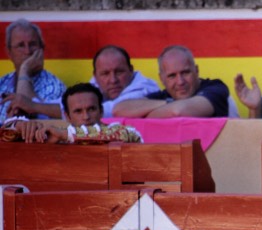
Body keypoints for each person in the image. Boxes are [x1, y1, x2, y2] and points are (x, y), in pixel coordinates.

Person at [113, 45, 231, 118]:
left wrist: (146, 114)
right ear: (162, 79)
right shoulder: (165, 97)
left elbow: (179, 111)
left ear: (196, 71)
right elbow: (119, 109)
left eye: (185, 73)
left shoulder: (216, 88)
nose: (180, 82)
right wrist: (167, 103)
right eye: (172, 76)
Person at [10, 83, 141, 144]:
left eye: (91, 109)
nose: (86, 117)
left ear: (101, 111)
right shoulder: (57, 135)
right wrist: (18, 126)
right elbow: (5, 134)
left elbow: (131, 134)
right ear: (67, 116)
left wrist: (65, 135)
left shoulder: (122, 131)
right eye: (78, 111)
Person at [0, 19, 66, 123]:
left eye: (32, 44)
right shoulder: (2, 82)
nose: (28, 51)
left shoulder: (54, 86)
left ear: (42, 49)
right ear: (9, 53)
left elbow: (26, 117)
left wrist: (24, 70)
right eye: (21, 45)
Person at [91, 45, 159, 118]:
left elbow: (110, 110)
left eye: (119, 72)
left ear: (131, 70)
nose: (113, 80)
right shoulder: (92, 87)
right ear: (95, 76)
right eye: (105, 74)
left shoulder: (145, 89)